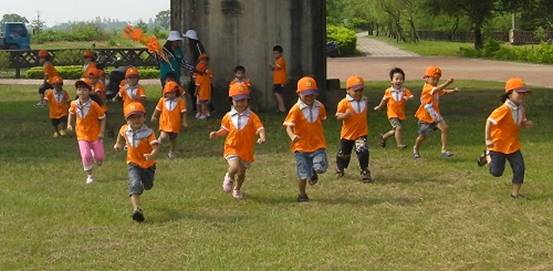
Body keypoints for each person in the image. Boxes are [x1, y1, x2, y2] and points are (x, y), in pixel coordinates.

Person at [478, 77, 533, 199]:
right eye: (519, 93)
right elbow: (489, 122)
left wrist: (525, 123)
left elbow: (520, 121)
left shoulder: (521, 109)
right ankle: (487, 157)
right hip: (498, 145)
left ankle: (515, 194)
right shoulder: (503, 109)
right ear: (509, 94)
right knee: (496, 172)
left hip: (513, 145)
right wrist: (488, 141)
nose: (522, 96)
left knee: (520, 168)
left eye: (524, 93)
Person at [209, 83, 266, 199]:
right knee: (234, 167)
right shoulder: (228, 116)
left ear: (248, 101)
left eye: (243, 100)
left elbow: (260, 127)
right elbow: (225, 129)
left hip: (246, 149)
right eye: (237, 101)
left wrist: (262, 136)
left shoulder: (252, 116)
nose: (240, 104)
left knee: (241, 173)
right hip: (232, 147)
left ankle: (237, 189)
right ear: (232, 101)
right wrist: (217, 134)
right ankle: (229, 177)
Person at [283, 76, 328, 202]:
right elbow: (288, 127)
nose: (309, 97)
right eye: (306, 95)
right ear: (299, 93)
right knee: (302, 175)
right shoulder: (295, 109)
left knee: (321, 168)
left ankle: (314, 170)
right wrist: (293, 136)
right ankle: (302, 194)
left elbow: (321, 120)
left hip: (318, 145)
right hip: (301, 148)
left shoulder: (320, 107)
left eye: (312, 94)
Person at [114, 102, 159, 222]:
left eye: (139, 116)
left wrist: (152, 155)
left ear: (144, 117)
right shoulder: (125, 129)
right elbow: (121, 133)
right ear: (127, 120)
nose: (136, 120)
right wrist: (119, 144)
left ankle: (142, 186)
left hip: (148, 165)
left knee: (148, 186)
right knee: (134, 184)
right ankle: (137, 210)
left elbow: (155, 147)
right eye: (132, 118)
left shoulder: (149, 133)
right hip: (133, 163)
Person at [413, 65, 460, 159]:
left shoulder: (435, 88)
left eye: (437, 79)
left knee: (445, 128)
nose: (436, 81)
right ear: (426, 78)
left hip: (435, 115)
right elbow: (437, 89)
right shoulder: (427, 88)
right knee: (423, 136)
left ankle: (444, 150)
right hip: (425, 117)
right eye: (433, 79)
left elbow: (443, 92)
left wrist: (453, 91)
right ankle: (415, 149)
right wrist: (447, 82)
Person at [66, 79, 106, 184]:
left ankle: (96, 155)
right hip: (81, 134)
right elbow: (71, 113)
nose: (82, 91)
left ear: (90, 91)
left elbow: (103, 117)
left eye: (84, 89)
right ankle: (90, 175)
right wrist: (69, 124)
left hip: (95, 134)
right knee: (85, 155)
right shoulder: (74, 104)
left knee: (100, 158)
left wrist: (101, 132)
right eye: (79, 89)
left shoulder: (94, 105)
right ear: (76, 92)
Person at [335, 75, 373, 182]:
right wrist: (345, 115)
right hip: (347, 135)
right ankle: (340, 167)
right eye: (356, 91)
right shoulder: (344, 103)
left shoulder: (364, 100)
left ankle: (364, 170)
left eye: (361, 90)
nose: (359, 93)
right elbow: (337, 116)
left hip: (361, 133)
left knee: (363, 151)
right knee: (344, 154)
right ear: (348, 90)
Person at [374, 67, 414, 149]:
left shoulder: (404, 90)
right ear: (392, 81)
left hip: (400, 113)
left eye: (401, 79)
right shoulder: (389, 91)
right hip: (392, 113)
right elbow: (384, 99)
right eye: (396, 79)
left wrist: (408, 98)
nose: (398, 81)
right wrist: (379, 106)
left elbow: (412, 96)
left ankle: (384, 137)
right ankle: (399, 144)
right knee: (398, 128)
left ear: (403, 81)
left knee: (395, 130)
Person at [151, 81, 188, 160]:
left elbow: (183, 112)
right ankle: (155, 147)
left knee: (173, 139)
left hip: (175, 124)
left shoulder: (180, 101)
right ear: (165, 93)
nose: (171, 95)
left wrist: (184, 121)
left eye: (173, 93)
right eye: (169, 93)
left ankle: (172, 151)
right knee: (163, 136)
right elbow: (157, 109)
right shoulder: (162, 100)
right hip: (164, 123)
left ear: (176, 93)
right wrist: (154, 116)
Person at [183, 29, 206, 111]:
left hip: (199, 73)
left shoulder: (197, 46)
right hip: (195, 72)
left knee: (195, 90)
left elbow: (202, 59)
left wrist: (196, 70)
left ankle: (198, 108)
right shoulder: (194, 46)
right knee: (192, 89)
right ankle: (196, 107)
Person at [193, 54, 213, 120]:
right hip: (200, 92)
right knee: (200, 103)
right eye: (202, 60)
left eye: (205, 60)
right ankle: (200, 112)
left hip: (207, 90)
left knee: (206, 102)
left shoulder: (208, 72)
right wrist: (196, 92)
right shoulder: (198, 75)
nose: (204, 62)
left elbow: (211, 78)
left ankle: (205, 112)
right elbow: (197, 85)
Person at [270, 45, 287, 113]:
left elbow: (277, 67)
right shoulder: (277, 60)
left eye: (276, 53)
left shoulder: (281, 60)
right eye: (274, 53)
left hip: (280, 80)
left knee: (277, 93)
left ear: (280, 53)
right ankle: (280, 108)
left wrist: (272, 66)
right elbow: (275, 68)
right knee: (278, 93)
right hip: (277, 81)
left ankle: (282, 108)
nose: (275, 55)